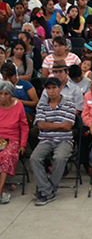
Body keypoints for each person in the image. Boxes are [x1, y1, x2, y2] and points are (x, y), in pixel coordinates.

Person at [30, 77, 77, 206]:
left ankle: (48, 190)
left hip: (64, 140)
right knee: (34, 158)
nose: (51, 91)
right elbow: (40, 126)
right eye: (48, 88)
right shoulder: (41, 104)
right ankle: (48, 190)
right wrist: (59, 125)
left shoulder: (70, 104)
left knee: (60, 157)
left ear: (60, 88)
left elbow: (68, 126)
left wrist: (49, 125)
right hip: (46, 140)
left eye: (54, 87)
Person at [0, 81, 29, 205]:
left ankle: (0, 189)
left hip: (12, 139)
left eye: (6, 94)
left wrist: (23, 144)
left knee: (6, 156)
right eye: (0, 93)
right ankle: (3, 190)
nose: (2, 97)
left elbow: (24, 126)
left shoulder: (18, 106)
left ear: (11, 95)